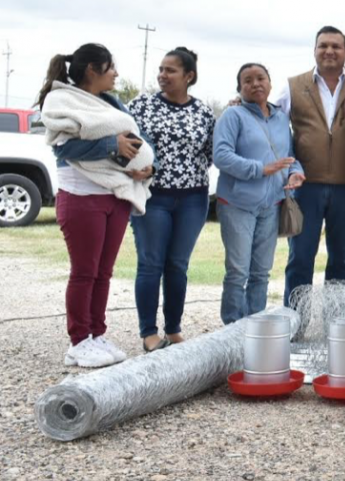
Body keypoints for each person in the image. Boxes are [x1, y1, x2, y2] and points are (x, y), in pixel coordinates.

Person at [37, 43, 155, 367]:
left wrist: (139, 167)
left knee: (104, 271)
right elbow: (65, 150)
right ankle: (79, 340)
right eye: (111, 67)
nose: (116, 74)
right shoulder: (61, 100)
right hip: (81, 198)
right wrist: (111, 143)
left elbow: (132, 141)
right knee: (84, 271)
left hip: (115, 195)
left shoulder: (110, 103)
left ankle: (97, 333)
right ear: (93, 69)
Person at [274, 26, 345, 308]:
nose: (329, 51)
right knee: (301, 257)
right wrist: (241, 104)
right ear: (315, 50)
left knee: (342, 259)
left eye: (335, 46)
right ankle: (296, 322)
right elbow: (271, 124)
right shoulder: (293, 85)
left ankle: (335, 324)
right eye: (323, 46)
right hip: (306, 187)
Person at [128, 47, 215, 352]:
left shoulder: (203, 111)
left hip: (193, 198)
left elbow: (209, 155)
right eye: (161, 69)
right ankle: (149, 333)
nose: (162, 75)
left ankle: (174, 329)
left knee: (178, 265)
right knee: (151, 263)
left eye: (170, 70)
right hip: (152, 197)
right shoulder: (140, 106)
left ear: (188, 76)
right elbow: (125, 141)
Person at [214, 63, 305, 324]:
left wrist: (294, 173)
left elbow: (289, 156)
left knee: (262, 272)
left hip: (272, 204)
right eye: (248, 81)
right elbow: (221, 156)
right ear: (239, 88)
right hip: (237, 203)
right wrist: (260, 169)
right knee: (237, 271)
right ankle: (231, 327)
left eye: (260, 78)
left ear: (270, 82)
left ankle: (253, 327)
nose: (255, 84)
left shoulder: (280, 118)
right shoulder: (232, 115)